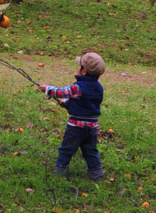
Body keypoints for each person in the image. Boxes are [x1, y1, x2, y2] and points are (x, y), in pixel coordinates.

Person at [37, 51, 105, 180]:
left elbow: (61, 92)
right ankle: (96, 172)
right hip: (92, 126)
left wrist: (47, 89)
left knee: (66, 149)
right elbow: (86, 103)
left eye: (79, 66)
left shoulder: (77, 86)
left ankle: (60, 171)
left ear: (83, 71)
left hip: (75, 127)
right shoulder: (99, 88)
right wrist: (67, 104)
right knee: (90, 151)